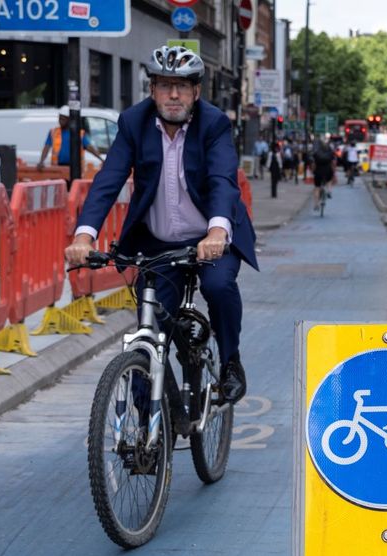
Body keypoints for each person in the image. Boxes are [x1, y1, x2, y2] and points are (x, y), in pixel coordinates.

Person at [64, 45, 257, 408]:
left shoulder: (213, 123)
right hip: (158, 243)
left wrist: (217, 232)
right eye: (164, 85)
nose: (173, 95)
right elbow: (109, 180)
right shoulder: (134, 123)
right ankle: (144, 429)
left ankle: (231, 362)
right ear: (151, 90)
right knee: (150, 328)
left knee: (217, 286)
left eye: (182, 87)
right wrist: (84, 235)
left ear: (196, 92)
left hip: (210, 239)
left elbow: (221, 180)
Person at [37, 106, 103, 170]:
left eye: (63, 119)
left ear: (69, 120)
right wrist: (41, 161)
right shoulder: (53, 132)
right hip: (58, 167)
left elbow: (89, 147)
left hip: (74, 168)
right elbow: (46, 147)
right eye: (60, 118)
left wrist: (101, 159)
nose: (60, 121)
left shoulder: (79, 133)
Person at [311, 134, 336, 210]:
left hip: (318, 171)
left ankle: (316, 204)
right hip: (328, 170)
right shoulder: (329, 151)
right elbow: (333, 163)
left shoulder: (316, 153)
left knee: (317, 188)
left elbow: (313, 164)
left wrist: (313, 172)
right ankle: (329, 191)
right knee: (329, 179)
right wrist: (333, 171)